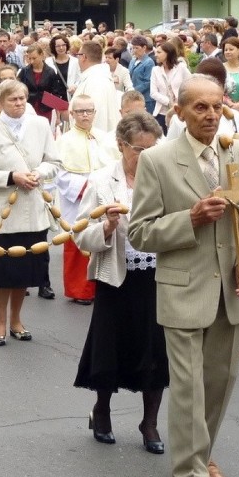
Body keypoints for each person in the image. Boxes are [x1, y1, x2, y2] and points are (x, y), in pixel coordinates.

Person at [127, 75, 239, 477]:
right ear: (181, 113)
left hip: (234, 289)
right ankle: (189, 475)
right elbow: (140, 232)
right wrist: (189, 219)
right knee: (188, 387)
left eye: (216, 106)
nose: (210, 115)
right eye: (200, 108)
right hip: (183, 289)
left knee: (219, 382)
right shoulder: (158, 160)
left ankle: (202, 454)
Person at [73, 111, 168, 453]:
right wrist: (108, 227)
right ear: (121, 145)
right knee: (110, 346)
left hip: (158, 275)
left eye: (153, 148)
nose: (147, 155)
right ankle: (102, 411)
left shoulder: (164, 178)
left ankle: (150, 422)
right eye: (139, 149)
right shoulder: (101, 181)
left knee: (156, 349)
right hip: (116, 277)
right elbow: (80, 235)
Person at [0, 80, 60, 346]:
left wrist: (38, 173)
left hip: (33, 210)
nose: (20, 103)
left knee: (24, 269)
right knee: (3, 269)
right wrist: (12, 176)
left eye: (22, 98)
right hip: (4, 214)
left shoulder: (41, 125)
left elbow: (54, 162)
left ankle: (17, 319)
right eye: (13, 100)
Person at [56, 95, 120, 305]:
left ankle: (100, 287)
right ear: (72, 114)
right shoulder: (64, 141)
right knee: (79, 242)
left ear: (95, 113)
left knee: (103, 240)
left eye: (89, 111)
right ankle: (80, 290)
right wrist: (86, 188)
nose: (85, 115)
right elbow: (61, 174)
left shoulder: (104, 138)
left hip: (103, 197)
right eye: (80, 111)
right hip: (78, 198)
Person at [72, 42, 119, 133]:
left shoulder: (96, 81)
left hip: (94, 139)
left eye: (78, 55)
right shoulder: (97, 77)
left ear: (84, 57)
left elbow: (97, 116)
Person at [150, 41, 191, 134]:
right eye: (155, 52)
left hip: (180, 112)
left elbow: (191, 84)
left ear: (168, 53)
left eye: (159, 52)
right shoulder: (155, 70)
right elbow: (153, 93)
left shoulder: (181, 67)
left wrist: (180, 101)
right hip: (161, 113)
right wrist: (169, 102)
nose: (156, 55)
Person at [17, 44, 62, 122]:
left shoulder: (50, 72)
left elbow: (56, 94)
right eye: (29, 58)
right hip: (28, 107)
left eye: (34, 58)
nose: (31, 61)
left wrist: (58, 117)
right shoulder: (24, 71)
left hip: (45, 108)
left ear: (41, 55)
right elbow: (18, 89)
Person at [45, 35, 80, 104]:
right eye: (57, 46)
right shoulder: (48, 61)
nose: (61, 48)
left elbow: (80, 78)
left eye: (63, 45)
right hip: (53, 99)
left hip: (69, 97)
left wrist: (75, 86)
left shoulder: (75, 61)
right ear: (53, 47)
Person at [128, 36, 154, 114]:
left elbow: (148, 82)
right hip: (133, 97)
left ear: (144, 47)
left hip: (145, 99)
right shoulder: (132, 60)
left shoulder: (149, 62)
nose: (134, 50)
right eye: (133, 48)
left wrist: (134, 90)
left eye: (136, 48)